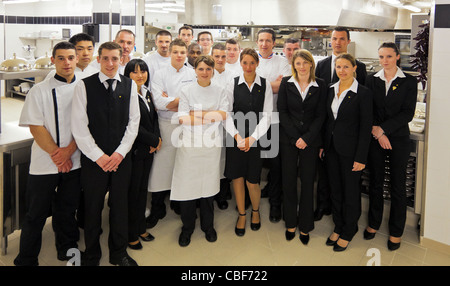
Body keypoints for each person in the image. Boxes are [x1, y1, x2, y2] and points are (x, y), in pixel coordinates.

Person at [72, 41, 140, 266]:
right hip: (94, 161)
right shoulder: (84, 86)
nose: (110, 63)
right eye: (105, 58)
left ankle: (118, 253)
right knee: (92, 208)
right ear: (98, 59)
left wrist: (120, 154)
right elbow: (79, 126)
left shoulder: (130, 86)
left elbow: (134, 122)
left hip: (121, 159)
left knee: (120, 207)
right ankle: (92, 254)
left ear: (122, 60)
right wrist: (98, 156)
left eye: (115, 59)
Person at [14, 42, 81, 266]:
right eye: (61, 58)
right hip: (45, 163)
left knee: (67, 210)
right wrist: (58, 155)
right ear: (53, 60)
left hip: (75, 161)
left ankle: (67, 249)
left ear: (76, 59)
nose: (66, 63)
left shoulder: (84, 88)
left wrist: (69, 151)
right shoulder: (39, 90)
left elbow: (86, 125)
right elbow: (36, 126)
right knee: (35, 214)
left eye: (70, 57)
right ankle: (26, 258)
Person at [364, 42, 417, 251]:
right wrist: (376, 131)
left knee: (397, 186)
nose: (384, 60)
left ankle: (396, 231)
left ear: (397, 57)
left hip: (398, 139)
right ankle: (374, 223)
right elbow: (367, 109)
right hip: (375, 138)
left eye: (388, 56)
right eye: (381, 57)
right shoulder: (371, 80)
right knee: (375, 182)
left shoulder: (409, 82)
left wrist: (382, 130)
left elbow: (407, 113)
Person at [172, 55, 228, 247]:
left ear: (213, 71)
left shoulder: (220, 90)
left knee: (208, 189)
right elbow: (182, 118)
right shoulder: (187, 90)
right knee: (187, 189)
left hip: (211, 146)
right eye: (201, 69)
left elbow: (223, 115)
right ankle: (187, 228)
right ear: (195, 70)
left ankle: (208, 226)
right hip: (189, 146)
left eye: (208, 69)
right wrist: (210, 116)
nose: (205, 73)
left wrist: (198, 114)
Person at [314, 26, 367, 221]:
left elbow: (362, 101)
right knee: (325, 175)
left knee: (346, 182)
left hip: (347, 135)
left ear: (348, 41)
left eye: (341, 39)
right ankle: (322, 206)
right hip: (326, 132)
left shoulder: (358, 67)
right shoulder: (321, 65)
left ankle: (346, 217)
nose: (337, 42)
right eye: (334, 38)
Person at [323, 53, 372, 252]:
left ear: (354, 69)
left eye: (345, 67)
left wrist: (361, 157)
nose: (341, 71)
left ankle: (349, 230)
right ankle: (338, 225)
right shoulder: (330, 89)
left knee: (350, 191)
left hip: (351, 152)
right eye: (338, 67)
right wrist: (322, 146)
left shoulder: (363, 93)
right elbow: (328, 121)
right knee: (335, 189)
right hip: (331, 149)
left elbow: (365, 127)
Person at [278, 49, 327, 244]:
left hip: (311, 141)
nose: (302, 66)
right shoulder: (285, 83)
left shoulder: (320, 84)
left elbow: (321, 114)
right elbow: (282, 111)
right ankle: (290, 222)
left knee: (307, 183)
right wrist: (295, 136)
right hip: (289, 140)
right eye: (298, 63)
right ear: (294, 65)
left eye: (305, 62)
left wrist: (306, 138)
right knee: (288, 181)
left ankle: (305, 226)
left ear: (311, 64)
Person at [146, 38, 196, 228]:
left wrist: (172, 100)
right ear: (170, 53)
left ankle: (179, 203)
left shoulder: (193, 73)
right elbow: (158, 103)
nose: (179, 55)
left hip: (185, 127)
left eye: (182, 53)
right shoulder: (159, 74)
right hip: (166, 126)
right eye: (175, 52)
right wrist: (182, 101)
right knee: (160, 169)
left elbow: (195, 102)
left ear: (186, 55)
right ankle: (157, 207)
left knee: (182, 167)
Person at [224, 48, 273, 237]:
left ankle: (255, 211)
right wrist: (237, 137)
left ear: (257, 64)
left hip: (256, 138)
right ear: (240, 64)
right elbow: (226, 113)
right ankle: (242, 214)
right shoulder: (233, 83)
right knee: (237, 178)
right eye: (245, 62)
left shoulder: (265, 85)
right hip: (236, 137)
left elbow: (267, 115)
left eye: (252, 62)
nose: (248, 66)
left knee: (253, 180)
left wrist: (252, 138)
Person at [123, 59, 162, 250]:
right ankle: (131, 234)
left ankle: (140, 227)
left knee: (141, 192)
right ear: (128, 74)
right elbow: (132, 125)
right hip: (135, 151)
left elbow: (154, 118)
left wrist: (157, 138)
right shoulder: (126, 94)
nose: (140, 75)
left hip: (147, 150)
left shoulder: (146, 93)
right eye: (135, 72)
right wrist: (153, 141)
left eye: (143, 71)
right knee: (133, 194)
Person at [255, 28, 291, 223]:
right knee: (254, 162)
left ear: (274, 43)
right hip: (252, 121)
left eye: (268, 40)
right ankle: (250, 202)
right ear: (257, 42)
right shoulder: (251, 60)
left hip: (275, 122)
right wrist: (271, 84)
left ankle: (275, 204)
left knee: (276, 165)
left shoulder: (282, 62)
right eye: (261, 40)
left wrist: (258, 85)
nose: (264, 44)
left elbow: (283, 86)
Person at [211, 43, 235, 210]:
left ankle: (222, 194)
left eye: (223, 56)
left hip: (227, 123)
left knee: (225, 159)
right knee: (210, 159)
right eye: (217, 56)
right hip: (208, 124)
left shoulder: (233, 76)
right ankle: (208, 193)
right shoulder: (205, 74)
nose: (220, 60)